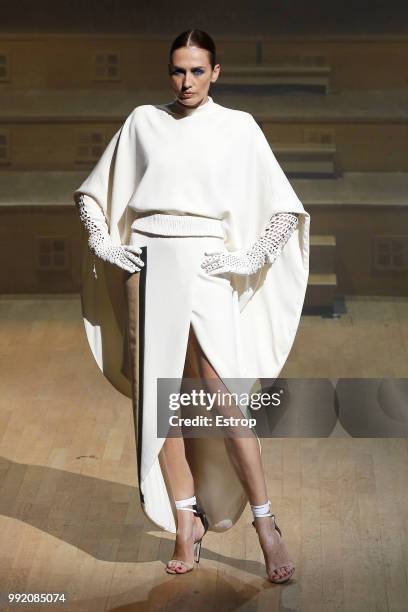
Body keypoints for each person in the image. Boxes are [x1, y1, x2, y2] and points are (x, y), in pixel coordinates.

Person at [73, 29, 310, 583]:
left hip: (207, 266)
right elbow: (92, 193)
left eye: (197, 71)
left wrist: (246, 259)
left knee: (223, 396)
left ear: (216, 72)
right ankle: (186, 522)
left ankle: (265, 524)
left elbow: (283, 208)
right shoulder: (142, 121)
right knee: (160, 403)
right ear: (169, 72)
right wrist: (107, 244)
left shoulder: (238, 127)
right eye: (178, 71)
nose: (186, 82)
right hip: (151, 266)